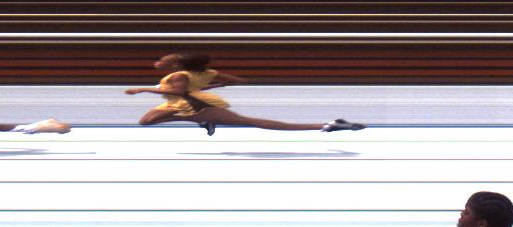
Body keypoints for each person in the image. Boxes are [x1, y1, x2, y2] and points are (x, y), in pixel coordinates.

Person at [125, 53, 366, 136]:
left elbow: (175, 90)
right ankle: (203, 121)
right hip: (185, 103)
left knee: (252, 122)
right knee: (146, 121)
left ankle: (328, 125)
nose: (158, 62)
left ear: (176, 65)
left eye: (162, 60)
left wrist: (144, 89)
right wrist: (207, 87)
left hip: (197, 105)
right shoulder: (208, 73)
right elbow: (237, 80)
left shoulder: (178, 76)